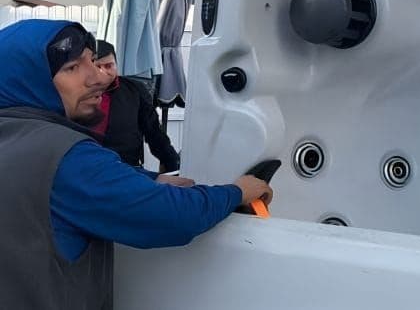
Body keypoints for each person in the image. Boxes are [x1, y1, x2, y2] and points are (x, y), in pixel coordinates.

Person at [0, 19, 273, 310]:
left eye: (91, 61)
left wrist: (148, 179)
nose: (98, 78)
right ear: (30, 79)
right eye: (71, 68)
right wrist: (238, 191)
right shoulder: (66, 155)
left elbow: (46, 180)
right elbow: (172, 217)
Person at [91, 39, 181, 173]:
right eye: (97, 67)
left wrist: (170, 161)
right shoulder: (75, 93)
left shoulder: (134, 90)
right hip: (87, 167)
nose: (103, 72)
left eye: (109, 66)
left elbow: (153, 131)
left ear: (116, 65)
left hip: (126, 168)